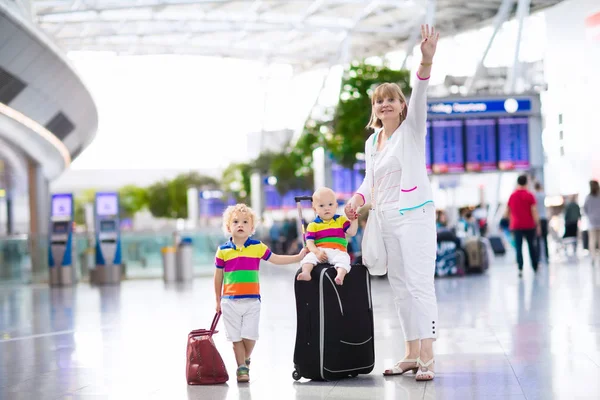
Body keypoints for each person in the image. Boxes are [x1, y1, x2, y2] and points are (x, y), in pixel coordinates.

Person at [344, 24, 440, 381]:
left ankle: (428, 354)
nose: (385, 103)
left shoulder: (412, 130)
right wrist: (357, 199)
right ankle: (410, 353)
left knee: (419, 284)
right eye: (379, 100)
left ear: (401, 106)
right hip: (384, 219)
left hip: (414, 216)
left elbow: (422, 93)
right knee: (399, 287)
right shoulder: (373, 144)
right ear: (375, 108)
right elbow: (370, 182)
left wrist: (425, 61)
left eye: (391, 98)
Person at [214, 204, 307, 383]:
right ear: (228, 227)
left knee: (249, 336)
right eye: (235, 222)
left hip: (252, 301)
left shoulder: (257, 247)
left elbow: (276, 259)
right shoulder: (223, 251)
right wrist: (217, 300)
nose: (240, 225)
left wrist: (297, 257)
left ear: (251, 228)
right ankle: (242, 368)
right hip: (229, 301)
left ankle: (244, 359)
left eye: (244, 222)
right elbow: (218, 277)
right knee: (235, 339)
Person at [297, 187, 359, 285]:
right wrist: (317, 252)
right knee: (308, 258)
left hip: (339, 251)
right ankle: (306, 272)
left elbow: (352, 232)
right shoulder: (313, 225)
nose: (327, 208)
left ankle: (340, 275)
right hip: (321, 251)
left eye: (330, 204)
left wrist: (354, 220)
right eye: (321, 205)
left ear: (336, 206)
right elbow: (310, 243)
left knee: (344, 259)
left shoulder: (341, 220)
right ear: (315, 209)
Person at [505, 175, 540, 277]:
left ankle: (520, 268)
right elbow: (534, 211)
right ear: (526, 183)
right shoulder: (529, 195)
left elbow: (507, 211)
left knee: (518, 247)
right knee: (531, 246)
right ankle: (535, 266)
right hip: (529, 225)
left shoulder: (512, 196)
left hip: (516, 225)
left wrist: (510, 220)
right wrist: (537, 224)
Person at [583, 180, 600, 265]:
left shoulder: (588, 198)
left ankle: (593, 257)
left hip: (591, 222)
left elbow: (584, 209)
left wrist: (590, 216)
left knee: (592, 240)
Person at [534, 182, 549, 262]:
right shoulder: (543, 195)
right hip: (544, 218)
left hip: (537, 219)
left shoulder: (534, 196)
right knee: (545, 239)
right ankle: (546, 256)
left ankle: (539, 257)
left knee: (538, 239)